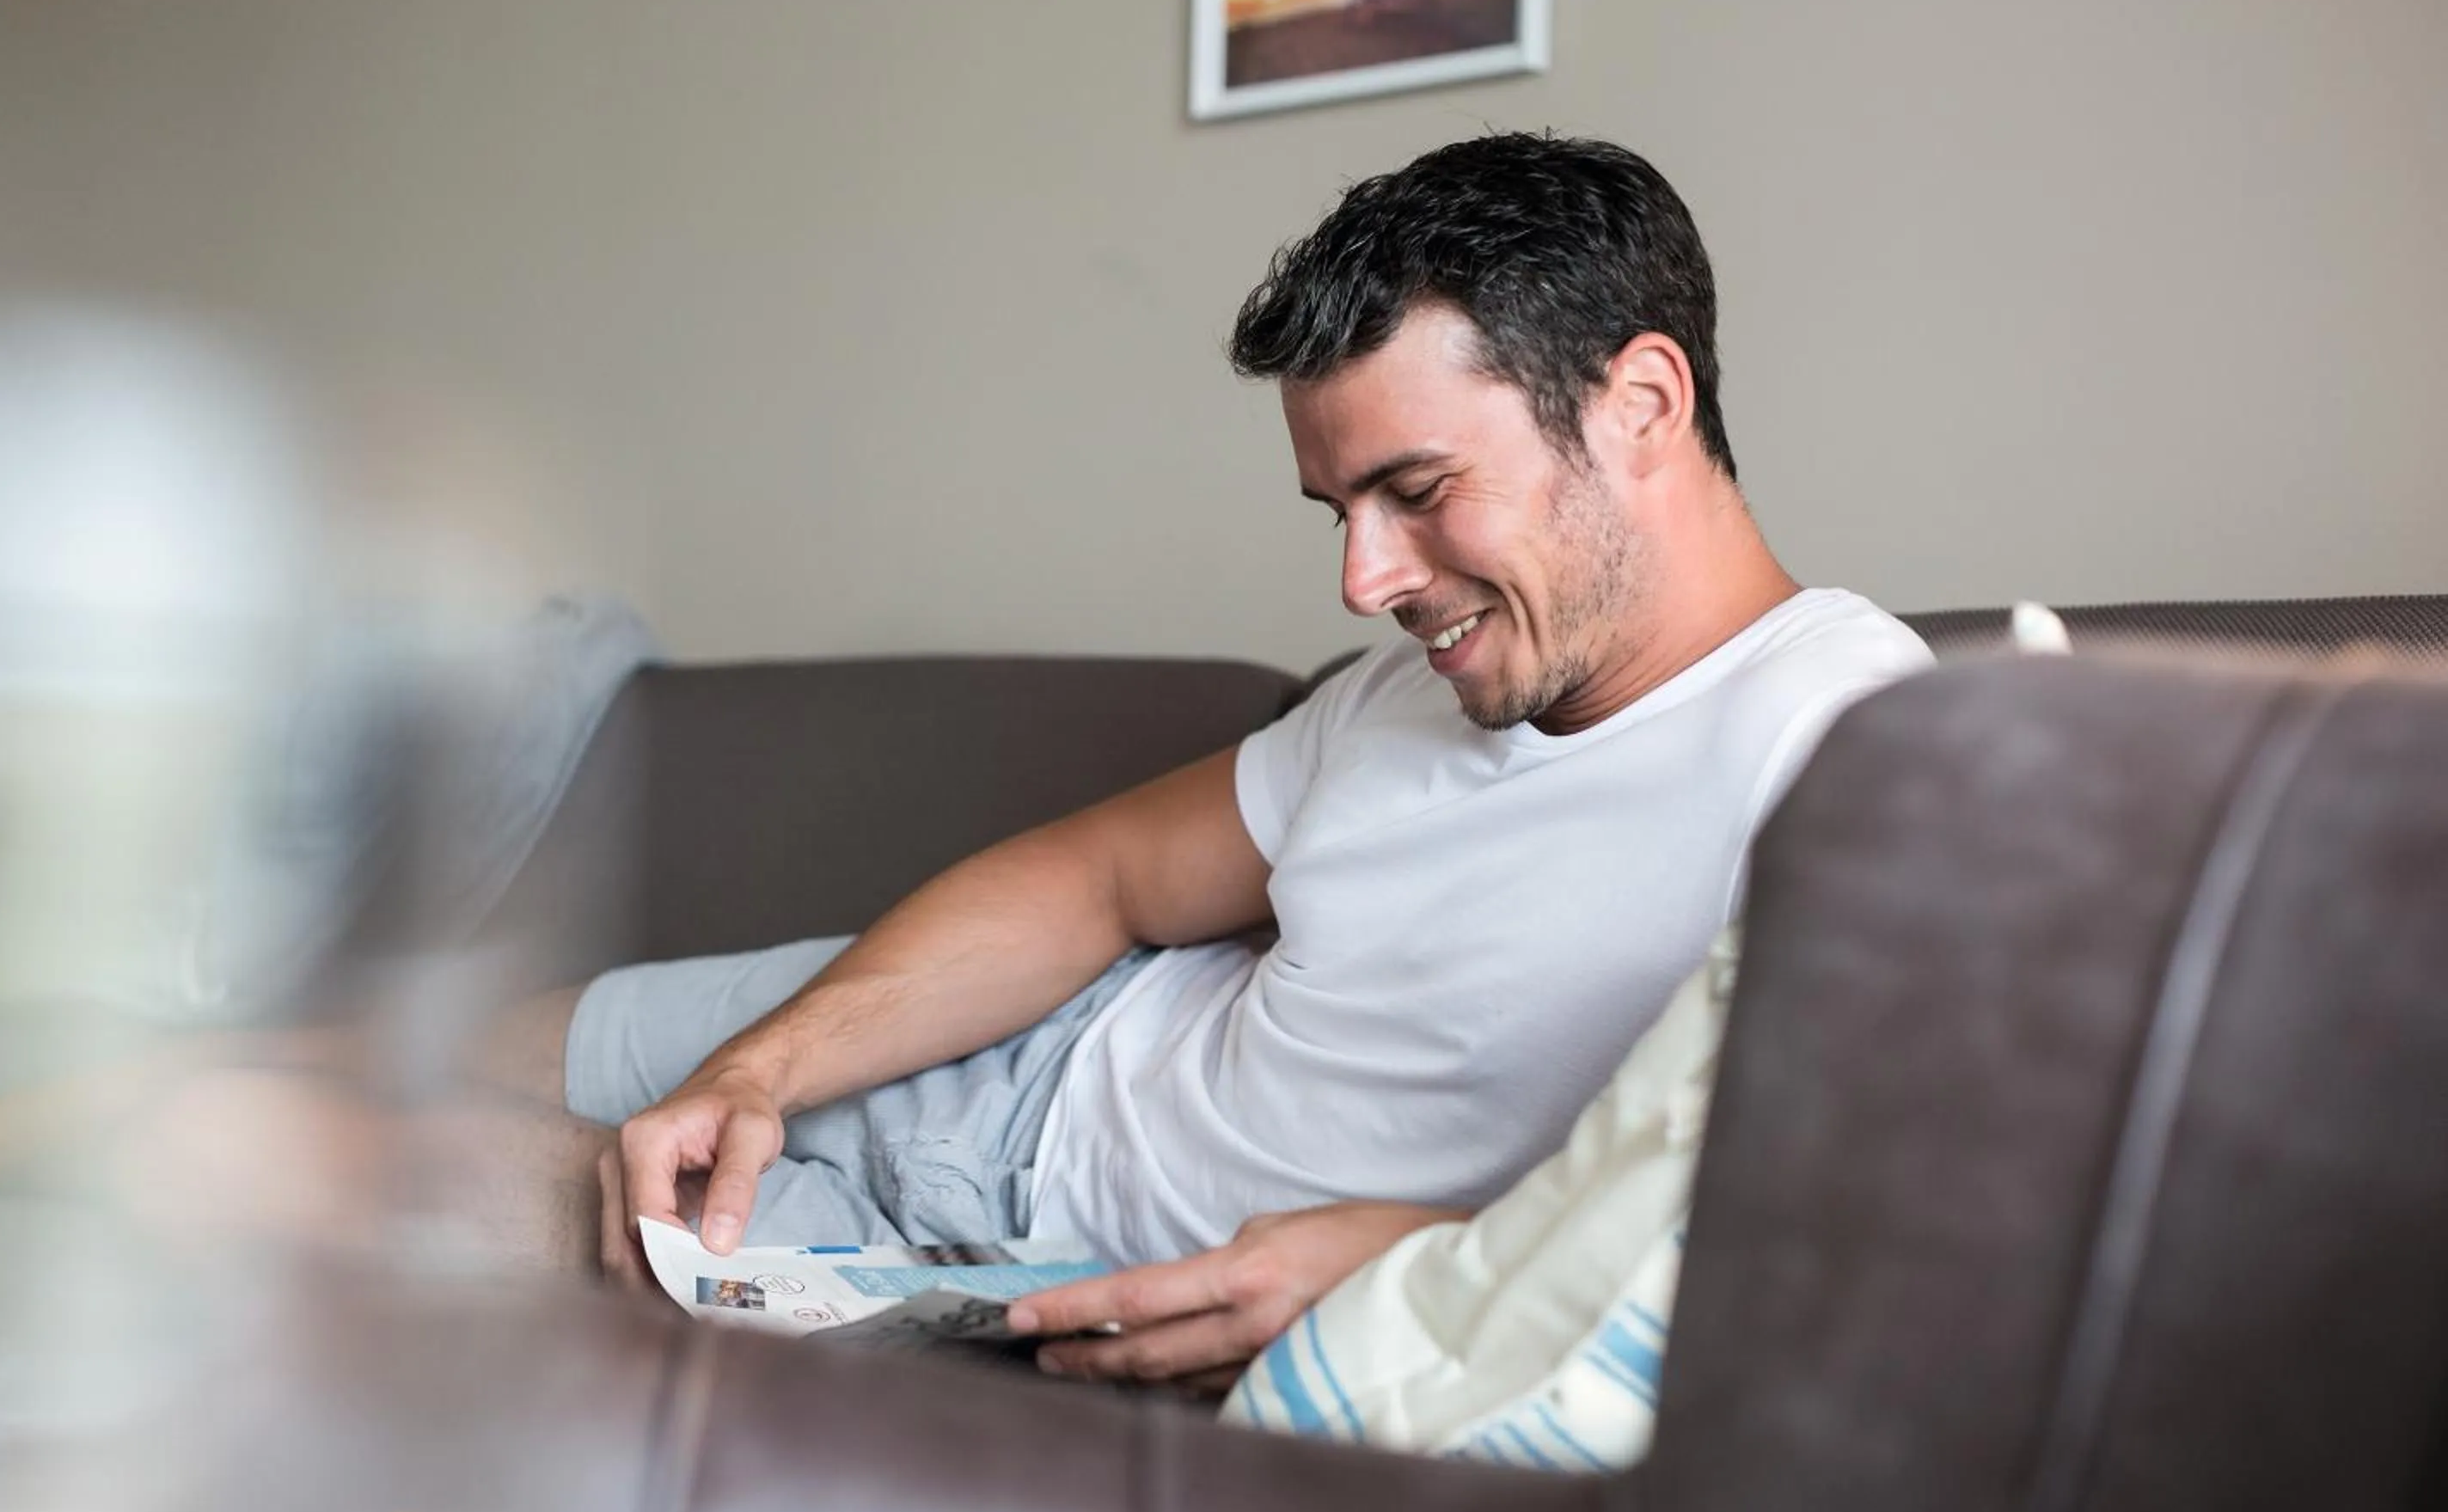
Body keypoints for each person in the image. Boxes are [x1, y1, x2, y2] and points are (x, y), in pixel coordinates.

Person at [523, 132, 1931, 1384]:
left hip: (1018, 1293)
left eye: (1417, 492)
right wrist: (766, 1067)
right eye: (1341, 510)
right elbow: (1096, 883)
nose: (1366, 580)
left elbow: (1840, 1230)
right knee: (431, 1046)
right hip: (1013, 1047)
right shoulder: (1409, 697)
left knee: (404, 1179)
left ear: (1642, 403)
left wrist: (1424, 1253)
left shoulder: (1865, 748)